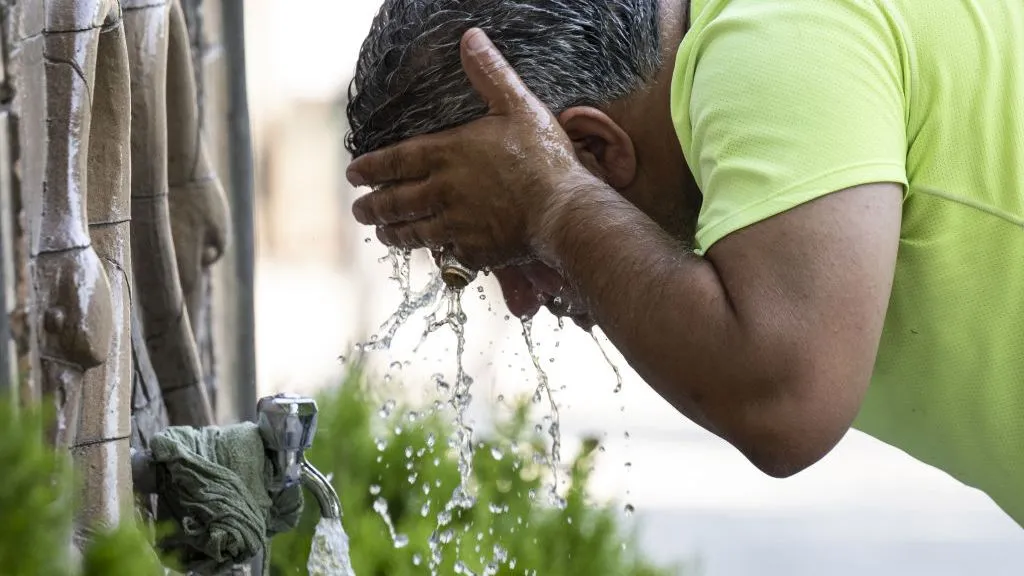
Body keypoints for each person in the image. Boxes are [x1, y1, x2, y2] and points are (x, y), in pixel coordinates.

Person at [345, 0, 1024, 527]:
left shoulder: (774, 36)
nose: (519, 299)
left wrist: (551, 204)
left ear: (590, 148)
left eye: (505, 248)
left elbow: (784, 401)